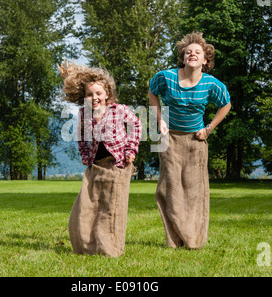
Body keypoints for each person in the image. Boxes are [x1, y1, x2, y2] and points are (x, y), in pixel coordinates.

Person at [148, 31, 231, 249]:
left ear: (205, 60)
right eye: (188, 52)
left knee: (194, 192)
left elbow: (226, 104)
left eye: (197, 52)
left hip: (196, 141)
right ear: (183, 58)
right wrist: (159, 121)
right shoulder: (166, 77)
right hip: (170, 139)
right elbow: (152, 93)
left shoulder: (212, 84)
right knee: (171, 190)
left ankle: (193, 240)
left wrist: (209, 129)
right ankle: (174, 240)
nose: (191, 54)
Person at [58, 61, 142, 257]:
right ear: (84, 97)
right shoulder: (83, 114)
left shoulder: (119, 110)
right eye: (90, 94)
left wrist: (131, 150)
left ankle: (109, 248)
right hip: (96, 165)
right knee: (87, 206)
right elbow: (80, 137)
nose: (94, 98)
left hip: (118, 164)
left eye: (98, 93)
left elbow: (136, 126)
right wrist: (85, 155)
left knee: (111, 207)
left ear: (107, 94)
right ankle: (86, 247)